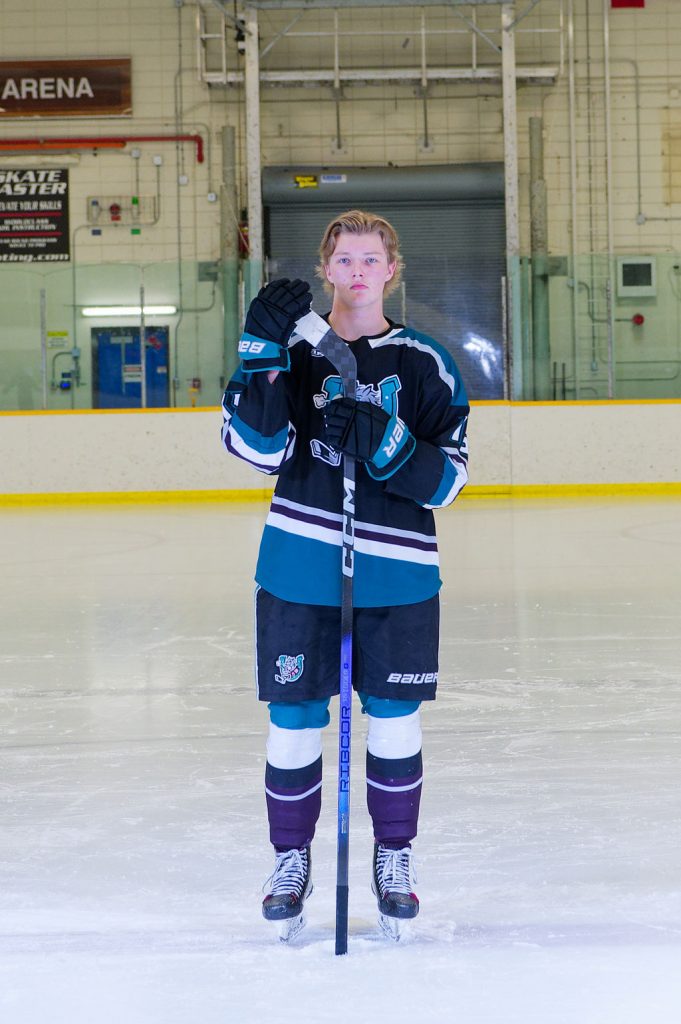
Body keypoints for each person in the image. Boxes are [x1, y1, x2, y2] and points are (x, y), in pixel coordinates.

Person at [221, 209, 469, 935]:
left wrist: (390, 446)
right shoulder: (291, 346)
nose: (357, 272)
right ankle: (289, 859)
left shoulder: (425, 362)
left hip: (398, 575)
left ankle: (395, 855)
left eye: (370, 260)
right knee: (294, 719)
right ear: (325, 267)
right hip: (299, 568)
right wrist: (258, 354)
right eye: (344, 259)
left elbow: (450, 482)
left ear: (392, 270)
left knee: (392, 718)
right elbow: (257, 450)